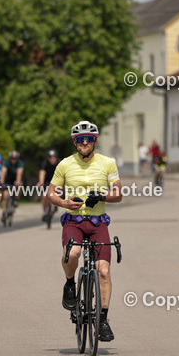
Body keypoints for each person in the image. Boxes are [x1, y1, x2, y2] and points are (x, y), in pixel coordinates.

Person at [47, 120, 122, 342]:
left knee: (104, 270)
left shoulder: (108, 163)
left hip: (98, 222)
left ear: (95, 141)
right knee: (73, 253)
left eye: (88, 139)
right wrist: (63, 202)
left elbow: (118, 194)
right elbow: (51, 193)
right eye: (80, 139)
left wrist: (102, 196)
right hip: (74, 221)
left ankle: (103, 319)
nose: (84, 143)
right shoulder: (64, 164)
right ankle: (70, 283)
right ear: (75, 142)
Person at [38, 149, 60, 223]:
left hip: (57, 181)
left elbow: (63, 174)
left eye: (54, 157)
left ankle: (55, 203)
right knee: (44, 196)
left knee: (56, 191)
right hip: (47, 182)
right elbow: (42, 172)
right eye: (50, 157)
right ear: (48, 158)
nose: (52, 159)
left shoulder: (59, 163)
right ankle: (45, 212)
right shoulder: (45, 163)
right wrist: (41, 182)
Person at [0, 150, 25, 214]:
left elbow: (19, 173)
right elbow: (3, 172)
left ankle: (16, 200)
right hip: (8, 180)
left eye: (15, 158)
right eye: (12, 158)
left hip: (16, 180)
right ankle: (4, 212)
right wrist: (2, 182)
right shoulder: (6, 162)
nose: (13, 160)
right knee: (5, 196)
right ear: (10, 158)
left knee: (20, 186)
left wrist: (17, 183)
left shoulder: (20, 163)